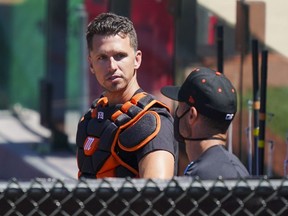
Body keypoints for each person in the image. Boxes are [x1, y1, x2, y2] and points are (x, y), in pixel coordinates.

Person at [76, 12, 177, 179]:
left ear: (137, 59)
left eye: (120, 56)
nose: (112, 66)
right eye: (102, 58)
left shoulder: (152, 122)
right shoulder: (91, 119)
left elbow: (156, 199)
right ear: (91, 64)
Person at [161, 67, 249, 179]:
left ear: (191, 115)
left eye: (180, 107)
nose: (176, 113)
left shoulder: (199, 177)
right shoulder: (240, 170)